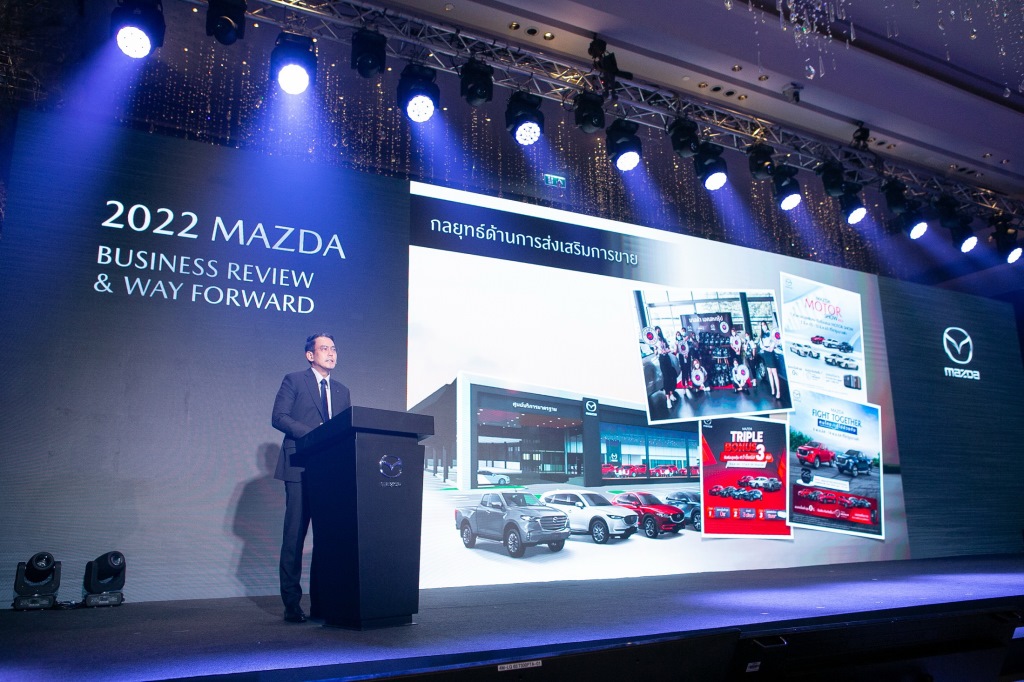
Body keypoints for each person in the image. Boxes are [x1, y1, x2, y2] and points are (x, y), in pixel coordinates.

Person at [271, 333, 351, 623]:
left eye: (334, 349)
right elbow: (279, 417)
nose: (331, 353)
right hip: (299, 467)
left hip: (330, 470)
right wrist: (315, 435)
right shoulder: (294, 380)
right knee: (294, 537)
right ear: (310, 355)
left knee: (327, 538)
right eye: (324, 348)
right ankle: (292, 605)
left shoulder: (342, 390)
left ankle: (323, 604)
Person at [759, 320, 782, 399]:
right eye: (762, 325)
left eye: (764, 324)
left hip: (771, 353)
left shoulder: (771, 333)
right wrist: (766, 348)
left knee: (774, 372)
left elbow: (774, 341)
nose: (763, 326)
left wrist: (771, 347)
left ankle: (778, 391)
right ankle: (773, 389)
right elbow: (761, 345)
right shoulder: (761, 335)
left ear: (766, 325)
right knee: (769, 372)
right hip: (766, 353)